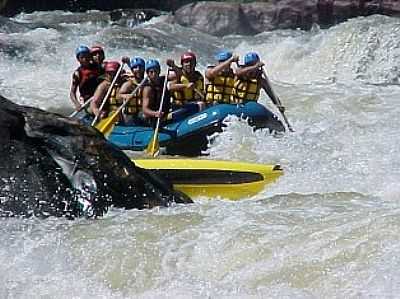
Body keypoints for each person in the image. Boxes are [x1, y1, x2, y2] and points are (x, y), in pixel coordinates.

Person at [167, 51, 205, 116]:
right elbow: (170, 87)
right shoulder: (177, 75)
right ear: (182, 64)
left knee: (203, 103)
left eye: (191, 62)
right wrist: (185, 85)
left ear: (195, 64)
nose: (189, 64)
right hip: (179, 107)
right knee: (201, 105)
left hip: (192, 104)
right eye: (186, 62)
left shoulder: (198, 76)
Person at [69, 45, 102, 111]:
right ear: (78, 59)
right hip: (88, 101)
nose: (85, 59)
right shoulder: (78, 73)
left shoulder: (97, 66)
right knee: (97, 112)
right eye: (82, 57)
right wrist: (77, 104)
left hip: (101, 96)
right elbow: (72, 92)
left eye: (87, 56)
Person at [117, 57, 146, 124]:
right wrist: (126, 96)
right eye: (135, 67)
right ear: (132, 70)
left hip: (143, 114)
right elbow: (118, 96)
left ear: (144, 69)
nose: (138, 69)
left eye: (140, 67)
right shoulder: (128, 84)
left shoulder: (147, 82)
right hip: (130, 116)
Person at [141, 59, 170, 126]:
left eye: (156, 71)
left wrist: (173, 66)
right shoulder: (147, 89)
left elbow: (178, 75)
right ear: (148, 74)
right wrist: (155, 113)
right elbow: (145, 109)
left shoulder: (164, 80)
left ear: (159, 71)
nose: (154, 74)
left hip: (165, 114)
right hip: (153, 117)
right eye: (151, 72)